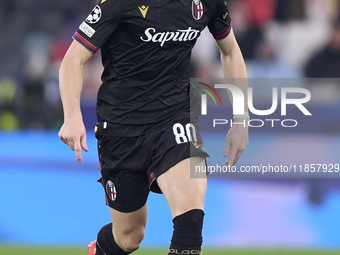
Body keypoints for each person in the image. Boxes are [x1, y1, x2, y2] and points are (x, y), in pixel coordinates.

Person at [58, 0, 248, 254]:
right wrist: (72, 117)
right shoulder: (117, 4)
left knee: (190, 218)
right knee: (129, 237)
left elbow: (230, 52)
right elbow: (73, 59)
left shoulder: (207, 3)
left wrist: (241, 119)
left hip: (176, 119)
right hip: (121, 126)